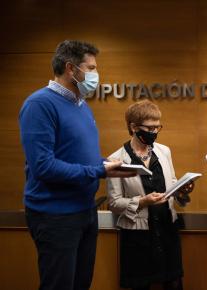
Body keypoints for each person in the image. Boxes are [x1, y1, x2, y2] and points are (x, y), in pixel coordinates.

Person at [19, 40, 134, 290]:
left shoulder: (81, 105)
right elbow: (44, 167)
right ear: (71, 69)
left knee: (81, 284)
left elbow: (79, 159)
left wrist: (109, 165)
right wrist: (98, 170)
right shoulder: (39, 105)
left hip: (84, 211)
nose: (95, 74)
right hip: (54, 215)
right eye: (91, 68)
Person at [107, 100, 194, 290]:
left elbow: (171, 181)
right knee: (140, 285)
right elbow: (114, 203)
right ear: (134, 127)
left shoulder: (164, 151)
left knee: (173, 283)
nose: (154, 132)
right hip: (137, 235)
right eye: (150, 128)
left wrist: (181, 189)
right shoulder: (116, 160)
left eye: (157, 127)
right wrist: (142, 201)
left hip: (166, 228)